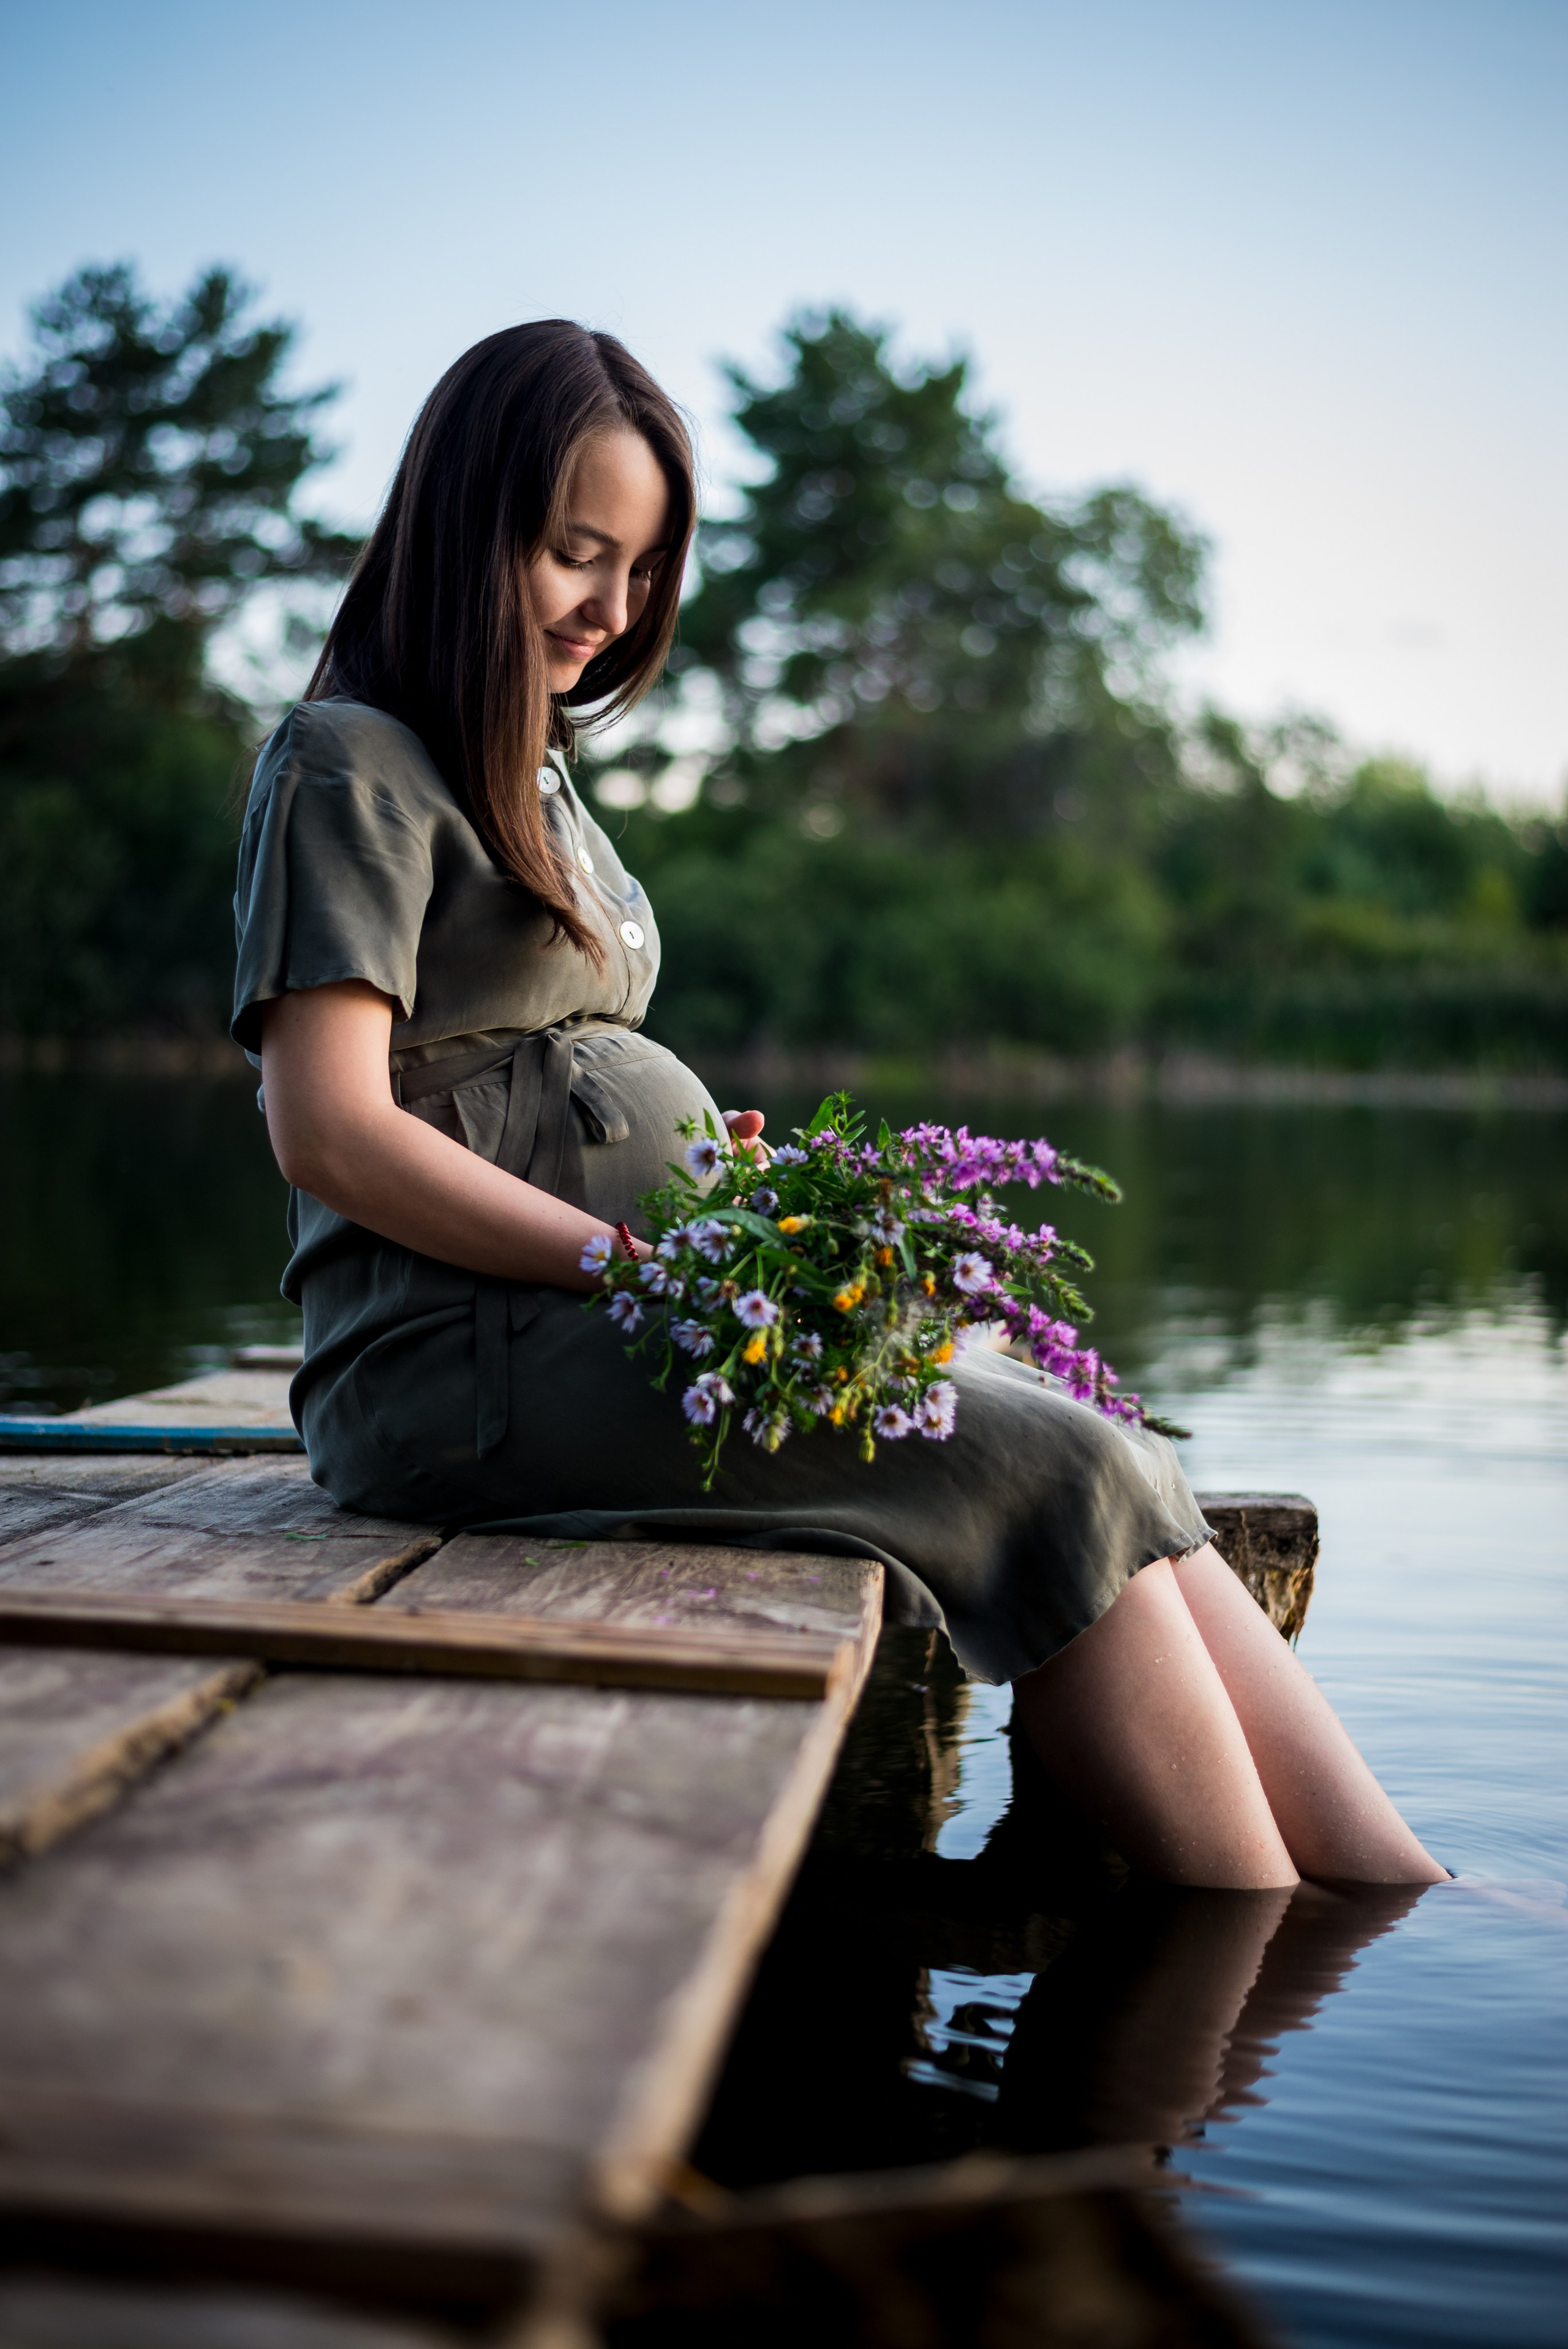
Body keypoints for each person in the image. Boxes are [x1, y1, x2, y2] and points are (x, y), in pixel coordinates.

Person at [235, 320, 1445, 1895]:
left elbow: (537, 1079)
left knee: (1088, 1426)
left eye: (643, 569)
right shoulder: (344, 762)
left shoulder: (532, 775)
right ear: (466, 530)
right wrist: (635, 1258)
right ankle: (1259, 1937)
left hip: (602, 1326)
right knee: (1044, 1472)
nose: (614, 610)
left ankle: (1384, 1883)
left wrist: (724, 1202)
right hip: (459, 1372)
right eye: (574, 554)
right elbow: (331, 1128)